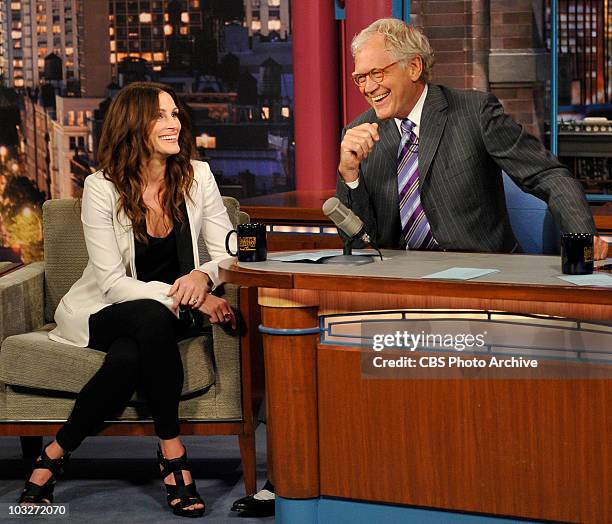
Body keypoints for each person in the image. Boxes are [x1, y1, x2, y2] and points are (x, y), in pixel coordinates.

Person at [17, 82, 237, 518]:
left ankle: (54, 455)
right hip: (108, 310)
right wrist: (192, 298)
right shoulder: (102, 187)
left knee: (128, 357)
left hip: (171, 314)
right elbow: (114, 284)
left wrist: (201, 276)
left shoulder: (199, 175)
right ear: (134, 126)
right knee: (147, 318)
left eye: (175, 114)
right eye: (161, 116)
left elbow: (229, 250)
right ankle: (173, 457)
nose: (174, 124)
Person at [336, 18, 608, 259]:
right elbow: (359, 244)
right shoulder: (360, 132)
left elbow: (549, 175)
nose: (368, 88)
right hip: (403, 282)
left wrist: (581, 237)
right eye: (360, 78)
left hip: (481, 275)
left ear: (414, 67)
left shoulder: (474, 113)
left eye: (376, 73)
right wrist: (350, 174)